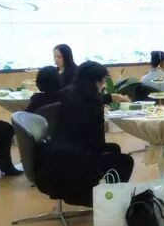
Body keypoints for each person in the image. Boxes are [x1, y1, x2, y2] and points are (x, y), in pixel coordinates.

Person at [38, 62, 134, 207]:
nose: (103, 85)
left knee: (114, 148)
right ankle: (106, 200)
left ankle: (104, 192)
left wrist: (112, 97)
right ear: (95, 82)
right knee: (125, 161)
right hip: (78, 163)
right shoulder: (93, 107)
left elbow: (93, 98)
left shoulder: (70, 93)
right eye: (102, 81)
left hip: (55, 158)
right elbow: (97, 144)